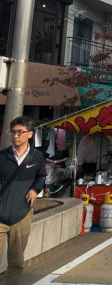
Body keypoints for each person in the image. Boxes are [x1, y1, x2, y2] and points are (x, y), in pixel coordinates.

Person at [0, 116, 46, 285]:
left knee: (16, 261)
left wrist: (35, 189)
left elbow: (42, 177)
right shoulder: (2, 156)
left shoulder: (37, 157)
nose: (15, 136)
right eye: (13, 132)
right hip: (0, 214)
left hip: (22, 214)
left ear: (30, 134)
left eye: (20, 132)